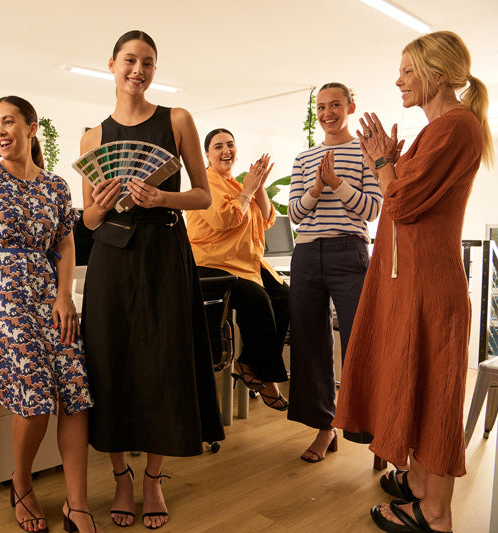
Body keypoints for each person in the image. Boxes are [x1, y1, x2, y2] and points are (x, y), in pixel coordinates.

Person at [333, 31, 493, 533]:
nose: (398, 80)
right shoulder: (441, 129)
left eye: (407, 71)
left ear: (436, 76)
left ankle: (436, 513)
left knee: (437, 396)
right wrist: (393, 164)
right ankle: (421, 488)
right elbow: (408, 196)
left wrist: (384, 164)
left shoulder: (454, 128)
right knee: (420, 387)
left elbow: (398, 203)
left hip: (429, 287)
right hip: (414, 282)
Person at [80, 30, 224, 530]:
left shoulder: (177, 119)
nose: (137, 70)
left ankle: (154, 479)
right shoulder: (93, 137)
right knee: (109, 362)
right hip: (111, 260)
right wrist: (98, 206)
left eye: (147, 62)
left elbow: (204, 196)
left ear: (154, 70)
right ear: (112, 65)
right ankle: (121, 475)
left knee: (165, 361)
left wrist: (162, 198)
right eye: (129, 60)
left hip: (164, 251)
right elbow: (89, 222)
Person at [0, 96, 100, 533]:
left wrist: (64, 296)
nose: (0, 131)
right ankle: (21, 482)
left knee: (75, 390)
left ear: (31, 128)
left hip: (47, 295)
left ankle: (78, 503)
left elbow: (66, 244)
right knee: (35, 398)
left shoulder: (56, 186)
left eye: (9, 121)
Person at [286, 82, 383, 463]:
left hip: (350, 253)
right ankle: (325, 429)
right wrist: (316, 188)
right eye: (322, 106)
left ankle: (373, 432)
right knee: (310, 344)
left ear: (351, 106)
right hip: (307, 254)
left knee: (361, 343)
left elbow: (372, 211)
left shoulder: (365, 152)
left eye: (336, 105)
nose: (328, 112)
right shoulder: (303, 157)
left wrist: (337, 185)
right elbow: (294, 214)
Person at [186, 128, 289, 410]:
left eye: (230, 144)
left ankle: (246, 361)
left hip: (246, 264)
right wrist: (249, 190)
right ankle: (269, 381)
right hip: (212, 263)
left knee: (285, 298)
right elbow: (224, 221)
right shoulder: (204, 183)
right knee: (257, 299)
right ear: (207, 155)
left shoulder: (235, 183)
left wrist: (260, 187)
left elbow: (267, 219)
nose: (226, 150)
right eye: (218, 146)